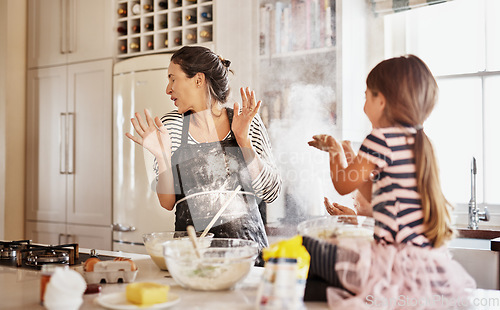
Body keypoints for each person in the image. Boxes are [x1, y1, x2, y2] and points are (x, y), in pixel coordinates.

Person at [307, 55, 476, 308]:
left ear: (381, 100)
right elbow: (378, 196)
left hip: (390, 261)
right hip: (424, 262)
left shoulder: (380, 138)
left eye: (367, 96)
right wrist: (354, 161)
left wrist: (333, 150)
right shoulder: (419, 141)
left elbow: (342, 184)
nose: (364, 105)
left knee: (306, 247)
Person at [126, 46, 282, 266]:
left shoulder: (246, 121)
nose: (167, 89)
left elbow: (271, 191)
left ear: (198, 80)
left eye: (173, 79)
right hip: (192, 260)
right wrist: (161, 157)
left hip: (248, 260)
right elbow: (168, 202)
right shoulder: (171, 126)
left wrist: (243, 141)